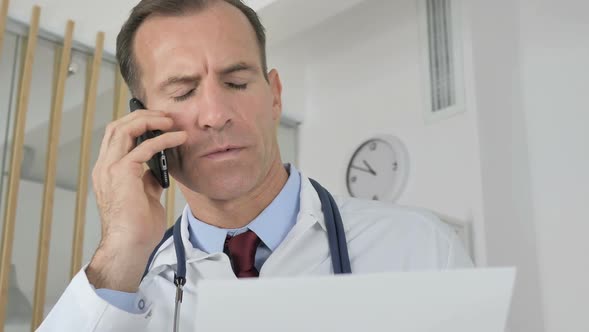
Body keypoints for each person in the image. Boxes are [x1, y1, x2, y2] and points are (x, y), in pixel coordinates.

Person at [37, 0, 472, 330]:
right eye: (184, 92)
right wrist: (118, 252)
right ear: (144, 124)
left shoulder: (419, 248)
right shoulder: (125, 287)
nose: (215, 113)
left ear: (275, 95)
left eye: (237, 82)